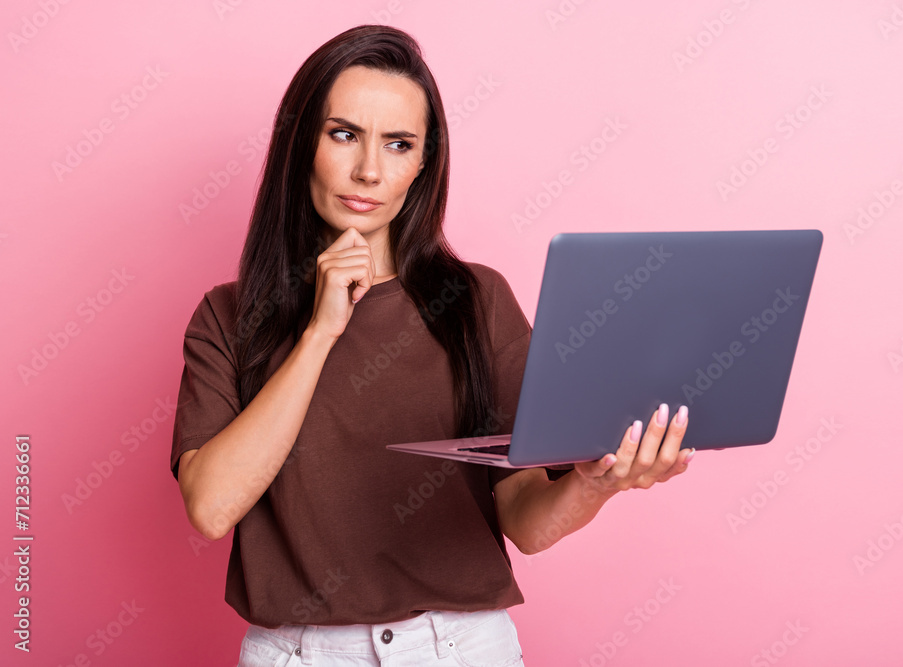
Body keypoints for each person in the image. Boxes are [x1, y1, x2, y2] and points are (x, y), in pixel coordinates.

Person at [169, 24, 694, 667]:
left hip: (463, 649)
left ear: (422, 164)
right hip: (299, 655)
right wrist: (320, 331)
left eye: (398, 144)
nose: (368, 169)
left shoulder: (475, 303)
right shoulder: (228, 317)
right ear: (301, 143)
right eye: (343, 134)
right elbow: (213, 506)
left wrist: (595, 483)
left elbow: (525, 521)